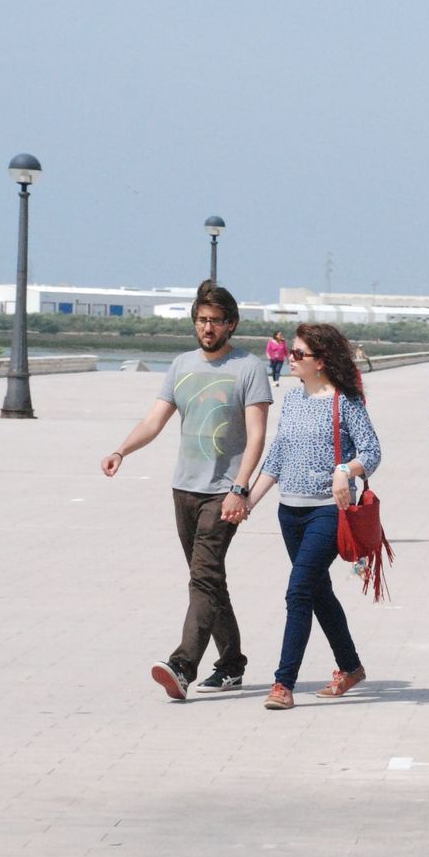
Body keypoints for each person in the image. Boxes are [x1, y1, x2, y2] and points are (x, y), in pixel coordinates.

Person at [100, 280, 271, 700]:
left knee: (203, 578)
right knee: (208, 581)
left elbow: (256, 437)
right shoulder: (180, 365)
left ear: (231, 324)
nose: (207, 328)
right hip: (184, 489)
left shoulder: (249, 368)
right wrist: (122, 450)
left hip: (223, 492)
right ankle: (231, 664)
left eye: (214, 321)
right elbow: (154, 421)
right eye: (201, 320)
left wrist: (240, 488)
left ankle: (182, 664)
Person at [245, 323, 380, 711]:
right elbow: (277, 457)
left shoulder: (346, 402)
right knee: (319, 592)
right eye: (292, 351)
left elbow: (371, 452)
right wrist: (248, 500)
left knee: (299, 591)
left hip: (327, 512)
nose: (291, 357)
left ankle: (283, 684)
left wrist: (344, 470)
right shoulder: (291, 400)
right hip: (289, 513)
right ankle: (351, 667)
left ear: (320, 362)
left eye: (299, 353)